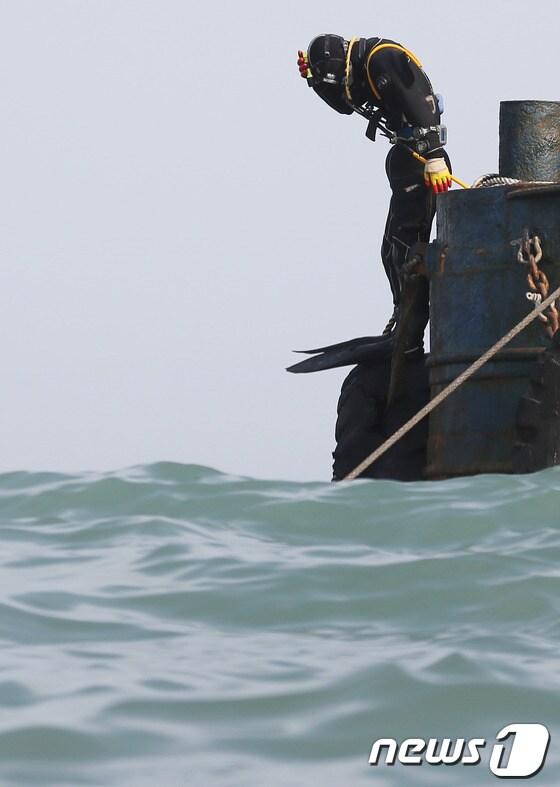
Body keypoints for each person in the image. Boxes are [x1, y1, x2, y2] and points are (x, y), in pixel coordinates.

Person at [297, 34, 452, 337]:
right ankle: (403, 318)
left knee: (407, 249)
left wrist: (434, 156)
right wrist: (316, 83)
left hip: (423, 160)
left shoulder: (381, 58)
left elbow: (423, 102)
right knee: (391, 250)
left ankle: (410, 334)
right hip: (408, 157)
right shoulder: (360, 65)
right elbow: (347, 103)